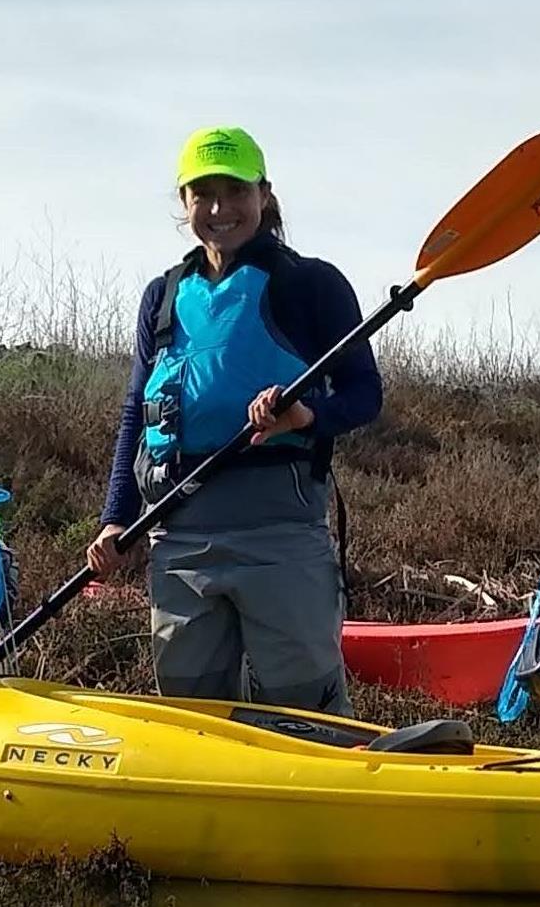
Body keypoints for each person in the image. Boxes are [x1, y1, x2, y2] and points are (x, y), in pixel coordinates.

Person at [86, 125, 382, 716]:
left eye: (236, 192)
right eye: (204, 194)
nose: (221, 209)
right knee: (193, 715)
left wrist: (306, 414)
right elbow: (135, 413)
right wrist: (115, 517)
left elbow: (364, 395)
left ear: (264, 195)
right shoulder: (162, 295)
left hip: (280, 537)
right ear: (185, 203)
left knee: (304, 713)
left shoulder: (311, 284)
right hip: (179, 539)